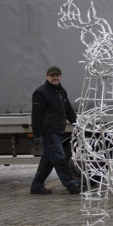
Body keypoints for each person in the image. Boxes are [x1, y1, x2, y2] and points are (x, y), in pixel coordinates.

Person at [30, 66, 81, 195]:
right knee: (60, 158)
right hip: (49, 131)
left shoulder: (61, 91)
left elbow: (68, 110)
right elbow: (36, 115)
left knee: (47, 161)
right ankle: (71, 185)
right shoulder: (41, 92)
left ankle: (36, 186)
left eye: (57, 75)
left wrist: (77, 125)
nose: (55, 77)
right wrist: (37, 134)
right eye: (52, 75)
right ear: (47, 77)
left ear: (61, 76)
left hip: (58, 131)